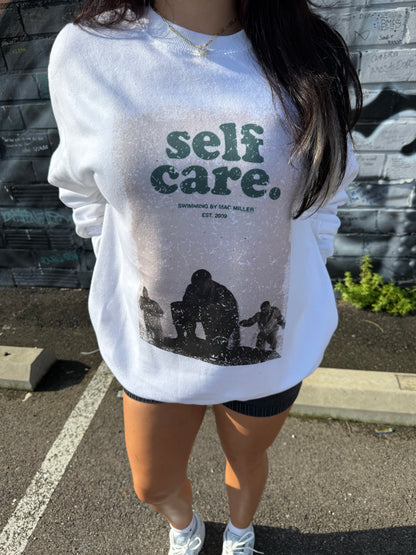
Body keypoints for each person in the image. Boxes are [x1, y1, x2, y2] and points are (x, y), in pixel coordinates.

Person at [47, 1, 362, 553]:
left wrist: (300, 270)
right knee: (152, 484)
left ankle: (240, 532)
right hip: (152, 356)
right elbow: (83, 192)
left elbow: (328, 192)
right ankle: (184, 526)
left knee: (247, 458)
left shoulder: (307, 47)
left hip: (273, 355)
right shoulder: (89, 49)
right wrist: (132, 267)